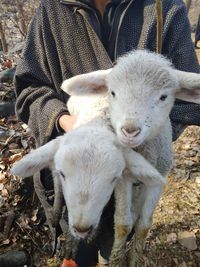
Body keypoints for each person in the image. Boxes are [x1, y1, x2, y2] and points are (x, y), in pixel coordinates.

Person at [14, 0, 200, 266]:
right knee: (76, 249)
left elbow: (185, 103)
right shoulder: (53, 11)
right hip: (74, 174)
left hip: (132, 180)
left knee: (116, 246)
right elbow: (29, 88)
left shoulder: (165, 9)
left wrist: (145, 142)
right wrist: (66, 122)